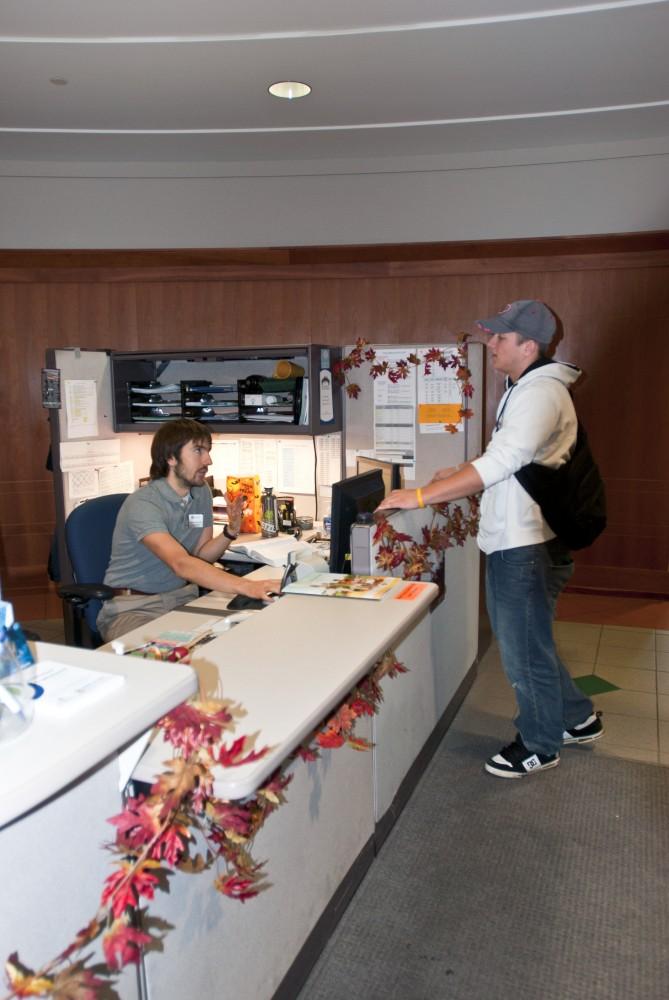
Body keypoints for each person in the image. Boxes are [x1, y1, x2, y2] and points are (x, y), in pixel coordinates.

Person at [377, 300, 603, 778]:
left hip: (523, 543)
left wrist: (418, 496)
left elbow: (500, 464)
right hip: (529, 535)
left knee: (521, 650)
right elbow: (509, 455)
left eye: (501, 337)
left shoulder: (539, 394)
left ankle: (540, 743)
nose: (491, 343)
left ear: (529, 345)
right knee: (532, 638)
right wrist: (459, 470)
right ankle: (577, 717)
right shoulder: (524, 387)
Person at [97, 418, 277, 642]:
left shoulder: (200, 492)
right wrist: (246, 586)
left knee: (239, 641)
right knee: (161, 663)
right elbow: (181, 563)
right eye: (198, 451)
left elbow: (201, 556)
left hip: (183, 599)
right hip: (135, 608)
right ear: (171, 457)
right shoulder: (143, 504)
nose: (208, 460)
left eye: (208, 451)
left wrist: (230, 531)